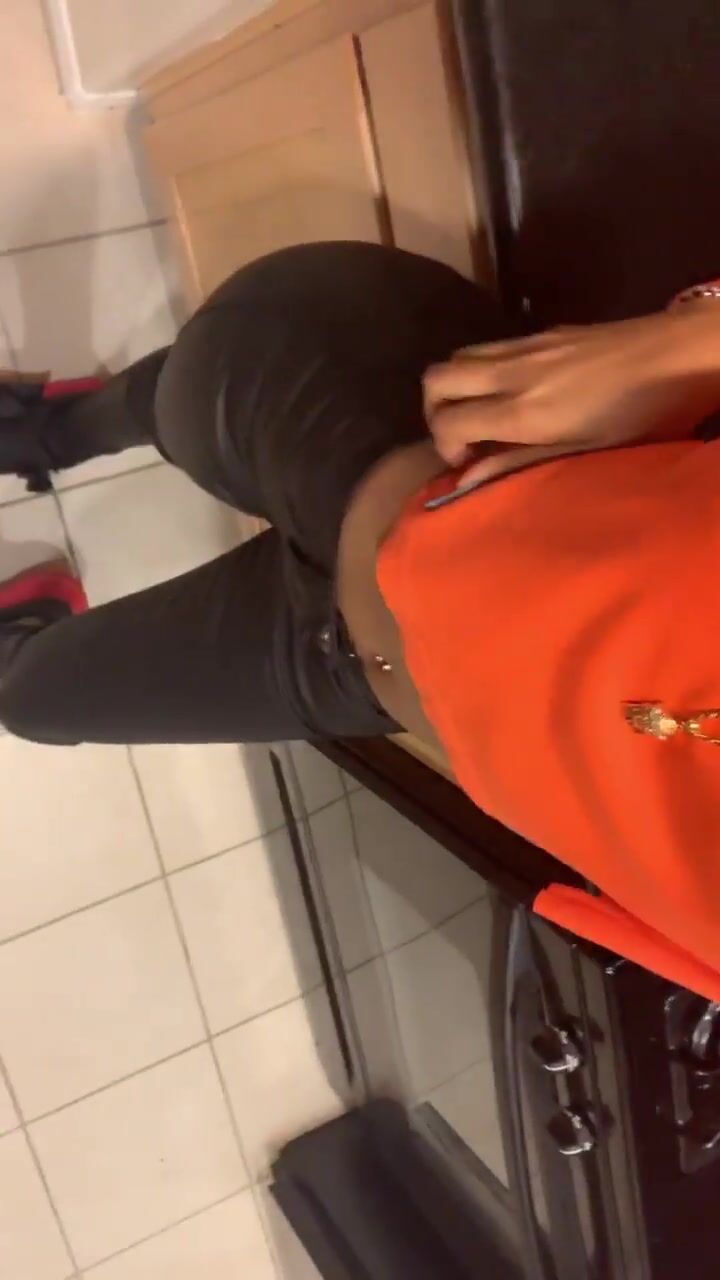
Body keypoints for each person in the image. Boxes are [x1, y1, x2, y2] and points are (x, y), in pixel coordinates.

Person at [2, 239, 720, 1000]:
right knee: (177, 401)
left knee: (30, 699)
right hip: (381, 424)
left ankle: (41, 553)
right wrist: (693, 344)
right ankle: (57, 429)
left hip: (351, 675)